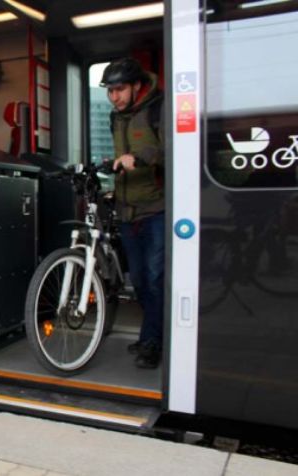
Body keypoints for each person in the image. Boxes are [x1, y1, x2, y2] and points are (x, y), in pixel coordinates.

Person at [100, 57, 164, 369]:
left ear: (136, 86)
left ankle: (154, 343)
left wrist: (137, 157)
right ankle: (149, 334)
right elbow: (119, 157)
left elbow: (172, 150)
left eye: (120, 90)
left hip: (156, 209)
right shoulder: (116, 117)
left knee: (154, 279)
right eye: (110, 91)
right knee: (138, 281)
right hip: (127, 210)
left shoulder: (157, 108)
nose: (114, 97)